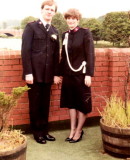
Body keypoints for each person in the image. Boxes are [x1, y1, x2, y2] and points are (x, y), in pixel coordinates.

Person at [21, 0, 61, 144]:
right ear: (42, 10)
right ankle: (37, 132)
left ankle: (45, 131)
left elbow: (57, 55)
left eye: (52, 10)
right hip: (34, 74)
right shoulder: (31, 27)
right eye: (47, 9)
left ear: (54, 13)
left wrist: (56, 74)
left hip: (48, 75)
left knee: (45, 104)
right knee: (35, 104)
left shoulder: (55, 31)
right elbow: (25, 51)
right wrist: (28, 72)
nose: (49, 11)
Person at [60, 8, 95, 143]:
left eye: (73, 18)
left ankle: (79, 130)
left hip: (81, 74)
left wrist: (89, 74)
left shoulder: (85, 33)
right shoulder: (65, 35)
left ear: (78, 19)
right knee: (71, 103)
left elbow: (90, 54)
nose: (71, 21)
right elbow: (63, 57)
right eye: (68, 18)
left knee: (82, 104)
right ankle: (72, 129)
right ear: (66, 20)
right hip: (68, 75)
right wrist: (58, 74)